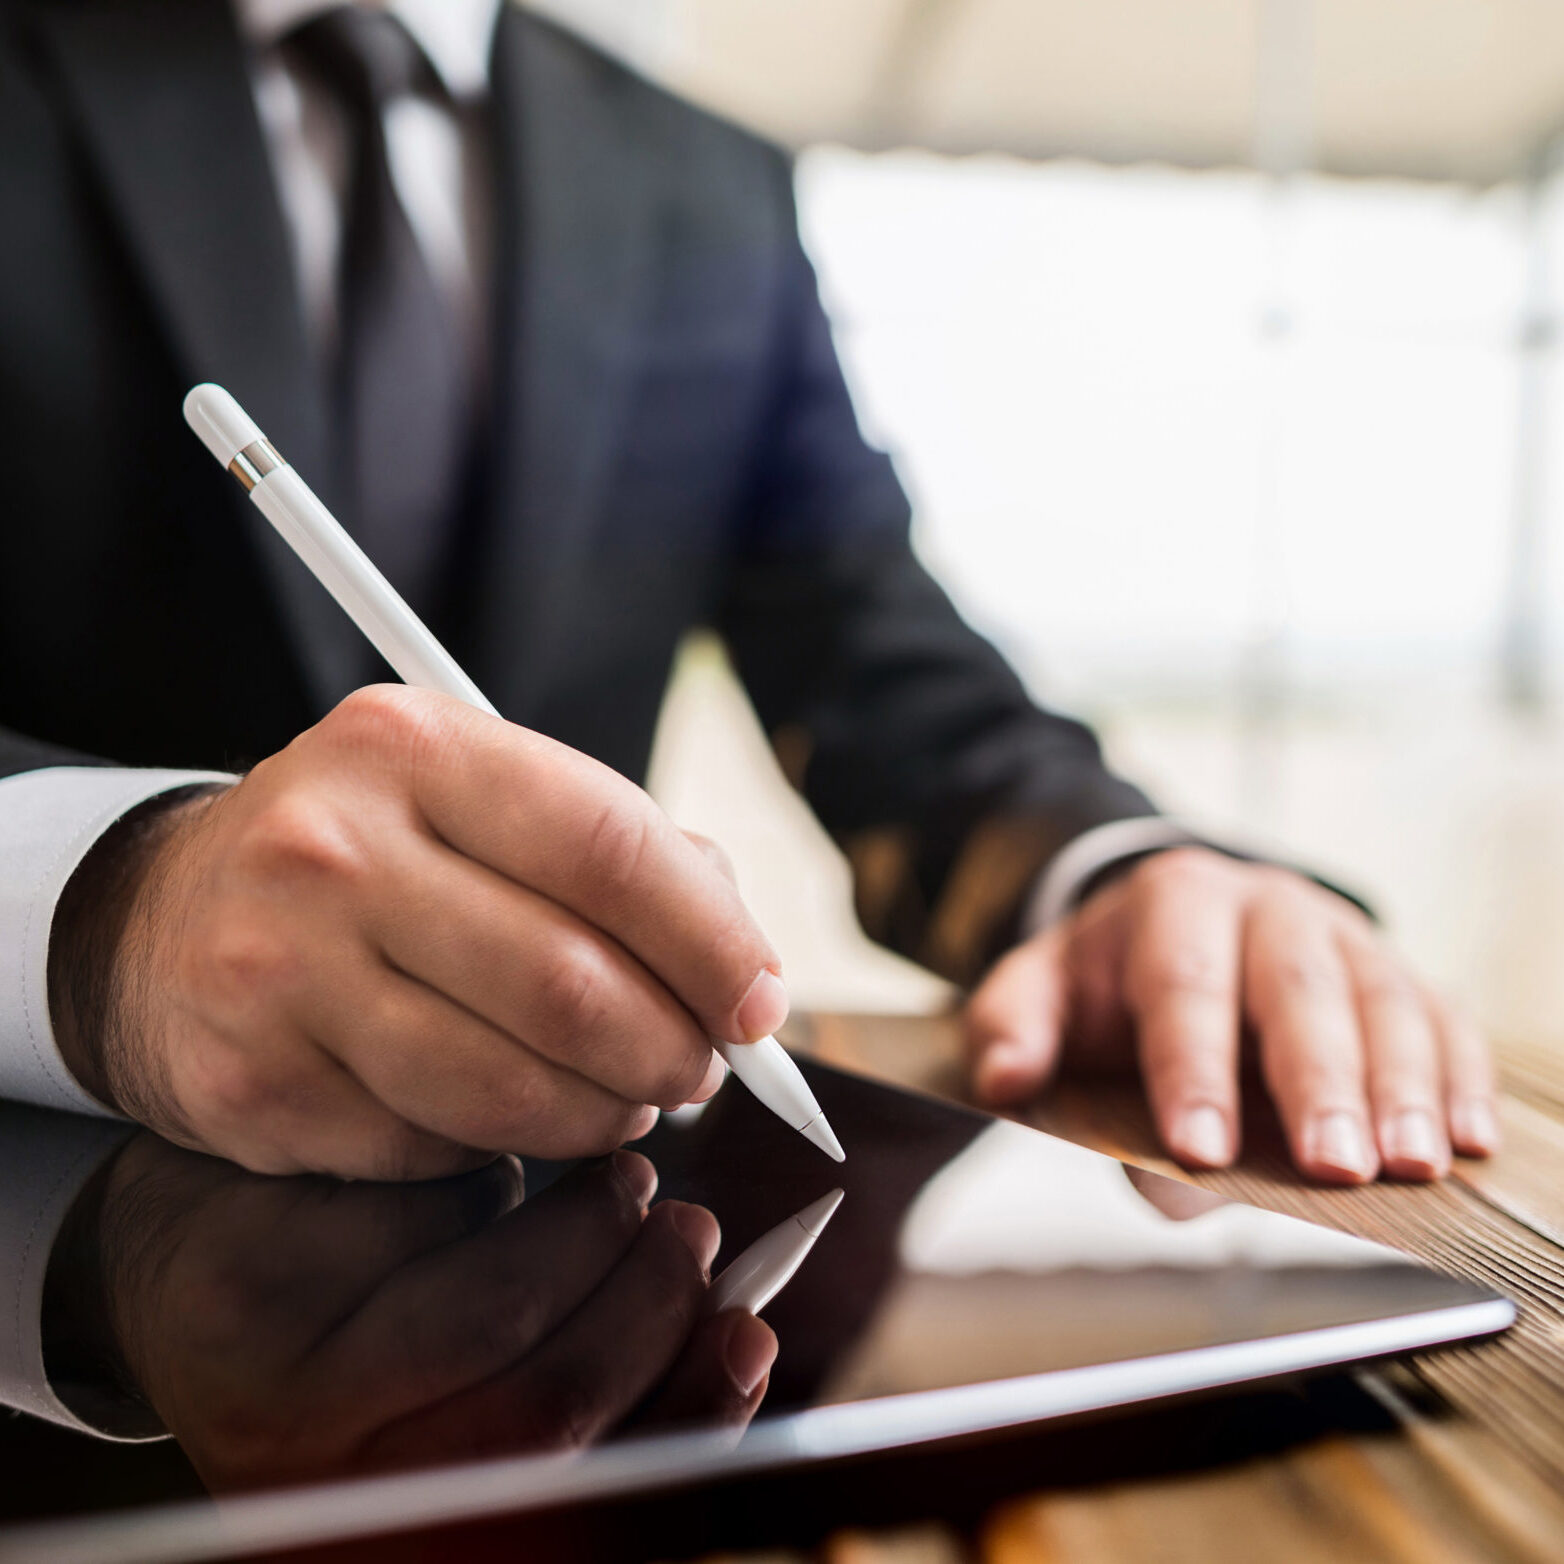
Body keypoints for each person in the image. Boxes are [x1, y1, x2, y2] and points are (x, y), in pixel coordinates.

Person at [0, 0, 1495, 1189]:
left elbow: (874, 659)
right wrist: (105, 922)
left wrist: (1114, 869)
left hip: (562, 1293)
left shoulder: (705, 185)